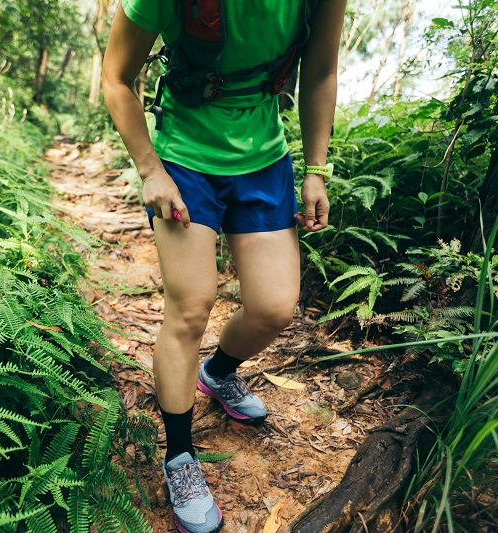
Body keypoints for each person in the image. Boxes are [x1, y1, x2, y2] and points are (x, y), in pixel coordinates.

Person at [103, 0, 346, 530]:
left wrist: (316, 168)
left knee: (274, 307)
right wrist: (150, 169)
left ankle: (218, 373)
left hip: (264, 161)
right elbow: (116, 78)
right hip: (184, 159)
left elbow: (322, 69)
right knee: (190, 308)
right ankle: (181, 456)